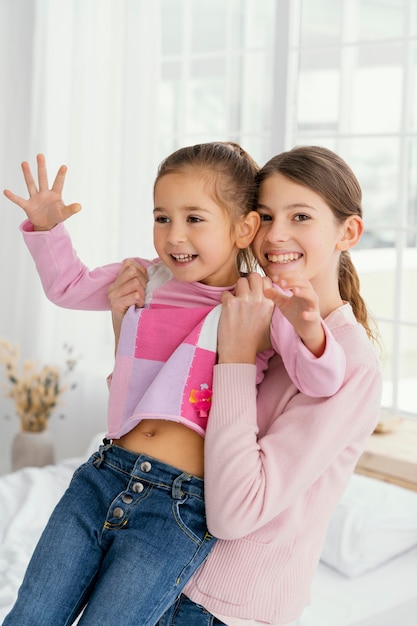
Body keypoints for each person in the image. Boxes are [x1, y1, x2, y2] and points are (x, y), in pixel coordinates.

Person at [2, 143, 346, 626]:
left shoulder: (259, 302)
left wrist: (311, 328)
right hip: (102, 475)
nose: (174, 235)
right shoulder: (145, 277)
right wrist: (46, 228)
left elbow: (323, 379)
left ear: (243, 228)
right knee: (29, 617)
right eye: (162, 218)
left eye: (194, 219)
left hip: (178, 508)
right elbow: (68, 285)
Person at [108, 146, 383, 625]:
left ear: (348, 232)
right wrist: (125, 325)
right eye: (267, 216)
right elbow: (153, 428)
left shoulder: (350, 363)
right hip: (162, 568)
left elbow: (236, 513)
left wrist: (234, 357)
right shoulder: (250, 314)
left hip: (219, 608)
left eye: (301, 216)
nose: (277, 236)